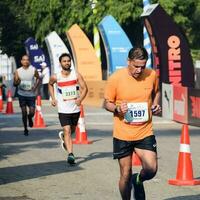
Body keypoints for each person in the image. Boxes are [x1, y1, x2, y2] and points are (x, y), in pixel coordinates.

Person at [104, 47, 161, 200]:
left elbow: (157, 92)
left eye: (142, 66)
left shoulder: (151, 74)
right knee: (125, 173)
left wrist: (155, 104)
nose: (139, 70)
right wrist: (117, 108)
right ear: (128, 61)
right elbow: (106, 103)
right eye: (136, 66)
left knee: (151, 169)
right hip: (123, 133)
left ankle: (139, 179)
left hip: (145, 131)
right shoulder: (116, 78)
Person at [48, 53, 88, 165]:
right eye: (64, 61)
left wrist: (80, 99)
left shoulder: (76, 75)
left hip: (75, 109)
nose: (67, 63)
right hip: (63, 109)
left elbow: (85, 88)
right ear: (60, 63)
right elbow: (50, 84)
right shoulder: (56, 77)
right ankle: (71, 155)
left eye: (68, 61)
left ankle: (65, 140)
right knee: (67, 130)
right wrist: (53, 98)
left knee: (73, 130)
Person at [13, 55, 40, 136]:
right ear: (21, 61)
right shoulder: (18, 71)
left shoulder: (33, 70)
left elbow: (38, 78)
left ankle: (30, 117)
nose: (25, 61)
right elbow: (15, 84)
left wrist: (35, 87)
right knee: (24, 112)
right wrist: (17, 81)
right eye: (24, 60)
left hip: (31, 94)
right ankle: (25, 129)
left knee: (32, 112)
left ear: (29, 61)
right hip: (22, 94)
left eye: (27, 60)